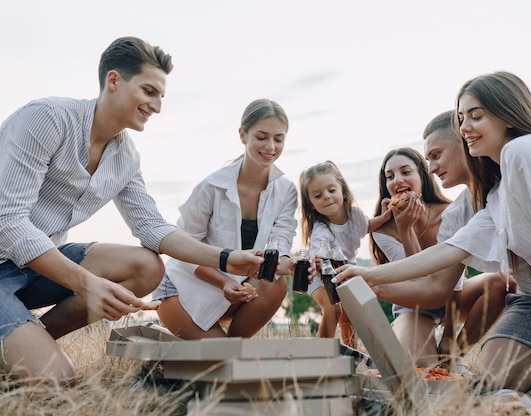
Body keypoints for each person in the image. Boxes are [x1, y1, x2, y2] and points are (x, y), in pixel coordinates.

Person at [334, 71, 531, 413]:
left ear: (508, 114)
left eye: (476, 116)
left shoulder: (525, 151)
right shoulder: (497, 198)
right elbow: (446, 256)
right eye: (462, 119)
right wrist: (370, 276)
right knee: (524, 396)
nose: (465, 128)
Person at [0, 37, 263, 385]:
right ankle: (26, 348)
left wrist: (226, 258)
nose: (156, 105)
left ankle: (33, 339)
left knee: (146, 266)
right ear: (114, 80)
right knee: (57, 379)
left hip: (33, 270)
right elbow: (9, 222)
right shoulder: (47, 119)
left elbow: (153, 228)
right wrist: (87, 284)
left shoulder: (126, 156)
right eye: (149, 91)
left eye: (161, 97)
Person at [154, 99, 302, 340]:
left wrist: (289, 265)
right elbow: (183, 249)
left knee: (275, 285)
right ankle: (178, 345)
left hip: (236, 293)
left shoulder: (286, 191)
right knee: (224, 361)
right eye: (262, 137)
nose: (271, 146)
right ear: (243, 135)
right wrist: (222, 282)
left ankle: (225, 348)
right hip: (182, 290)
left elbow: (280, 244)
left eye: (279, 138)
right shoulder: (212, 186)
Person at [368, 147, 452, 367]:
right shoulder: (382, 230)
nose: (397, 180)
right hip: (414, 302)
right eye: (390, 176)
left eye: (406, 172)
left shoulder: (451, 213)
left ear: (422, 175)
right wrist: (406, 230)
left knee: (497, 284)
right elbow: (419, 279)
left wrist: (450, 335)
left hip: (454, 296)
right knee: (418, 365)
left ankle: (455, 353)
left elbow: (454, 280)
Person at [299, 160, 389, 347]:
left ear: (343, 192)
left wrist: (386, 217)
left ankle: (351, 354)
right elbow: (318, 253)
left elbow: (368, 226)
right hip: (320, 273)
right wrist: (316, 260)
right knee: (333, 310)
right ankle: (321, 355)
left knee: (351, 315)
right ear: (312, 204)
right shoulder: (321, 229)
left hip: (346, 271)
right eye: (318, 195)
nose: (326, 197)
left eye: (332, 190)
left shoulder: (355, 216)